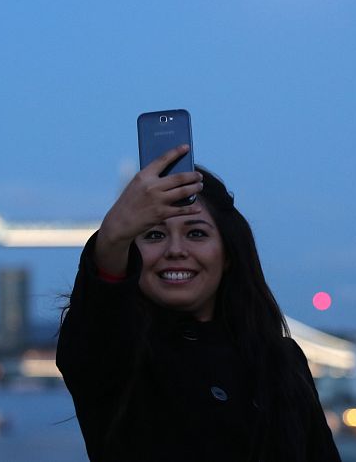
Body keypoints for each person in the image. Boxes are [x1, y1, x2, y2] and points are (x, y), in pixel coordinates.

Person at [56, 145, 341, 461]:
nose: (176, 250)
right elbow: (98, 320)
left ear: (228, 253)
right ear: (130, 256)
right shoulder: (118, 358)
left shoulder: (284, 362)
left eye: (196, 233)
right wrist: (112, 238)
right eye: (153, 235)